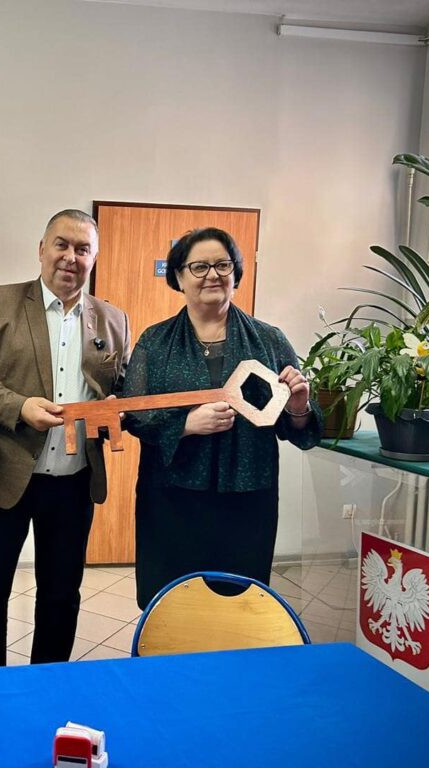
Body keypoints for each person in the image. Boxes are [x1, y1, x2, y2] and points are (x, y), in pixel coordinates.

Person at [0, 209, 131, 668]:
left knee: (61, 596)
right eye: (62, 245)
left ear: (94, 257)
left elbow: (120, 388)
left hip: (73, 483)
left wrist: (118, 408)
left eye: (83, 249)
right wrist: (19, 407)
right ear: (41, 249)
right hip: (0, 475)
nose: (71, 257)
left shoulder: (113, 319)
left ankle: (48, 686)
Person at [123, 227, 321, 609]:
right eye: (199, 267)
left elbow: (297, 430)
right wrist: (185, 425)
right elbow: (134, 414)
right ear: (179, 277)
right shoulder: (155, 342)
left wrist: (298, 405)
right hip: (172, 499)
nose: (212, 275)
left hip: (247, 501)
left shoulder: (269, 340)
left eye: (222, 265)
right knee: (173, 603)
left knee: (239, 605)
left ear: (235, 273)